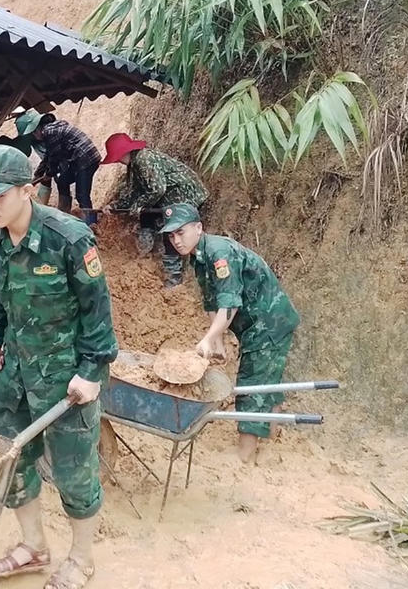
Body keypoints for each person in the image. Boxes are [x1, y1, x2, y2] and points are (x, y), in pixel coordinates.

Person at [0, 144, 117, 589]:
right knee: (11, 460)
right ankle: (33, 545)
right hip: (14, 373)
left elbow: (98, 311)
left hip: (66, 374)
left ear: (27, 191)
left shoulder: (68, 238)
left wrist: (92, 371)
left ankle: (82, 558)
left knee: (73, 472)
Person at [161, 203, 300, 464]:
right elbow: (212, 302)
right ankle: (270, 440)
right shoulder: (199, 257)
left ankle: (244, 456)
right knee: (267, 379)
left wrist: (207, 339)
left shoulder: (219, 253)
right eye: (171, 235)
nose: (176, 240)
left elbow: (230, 304)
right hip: (256, 324)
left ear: (198, 228)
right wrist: (218, 340)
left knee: (251, 384)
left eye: (181, 232)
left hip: (269, 322)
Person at [103, 132, 207, 288]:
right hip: (169, 196)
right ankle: (146, 249)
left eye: (117, 157)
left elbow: (158, 189)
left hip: (185, 194)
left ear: (123, 153)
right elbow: (135, 192)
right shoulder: (135, 164)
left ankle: (174, 276)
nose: (118, 161)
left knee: (171, 230)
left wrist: (139, 205)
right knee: (146, 216)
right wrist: (115, 206)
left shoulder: (144, 159)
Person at [15, 110, 102, 227]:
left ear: (36, 130)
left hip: (86, 158)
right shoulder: (50, 130)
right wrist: (37, 174)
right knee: (62, 181)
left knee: (82, 194)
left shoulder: (50, 132)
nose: (35, 138)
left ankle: (91, 224)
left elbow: (55, 157)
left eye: (33, 135)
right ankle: (64, 212)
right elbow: (48, 156)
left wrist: (49, 173)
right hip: (79, 159)